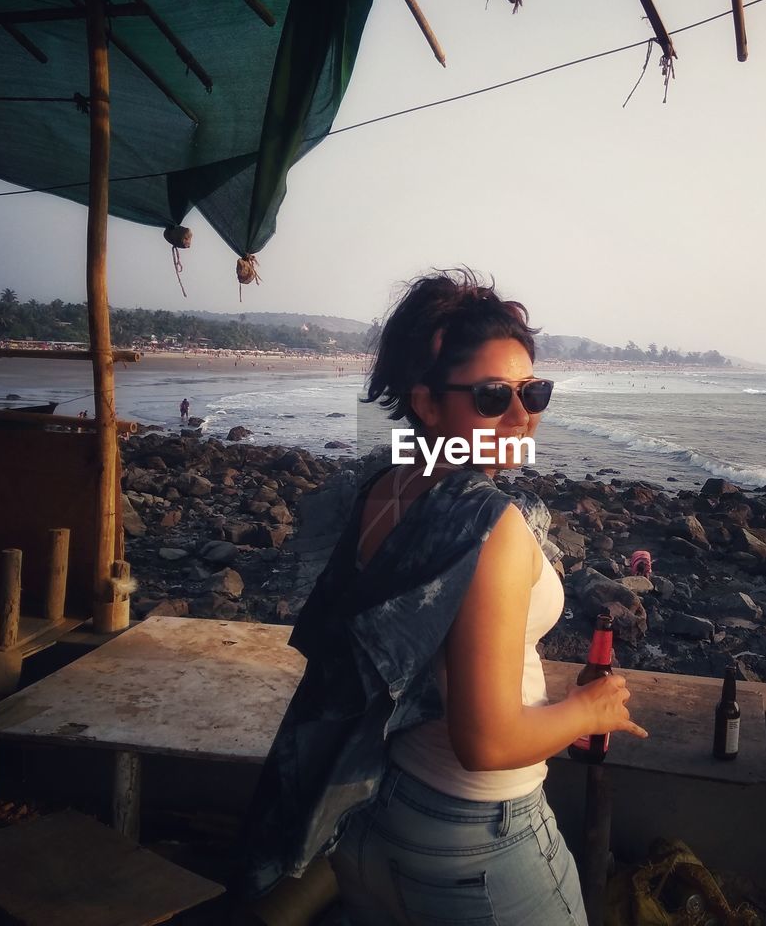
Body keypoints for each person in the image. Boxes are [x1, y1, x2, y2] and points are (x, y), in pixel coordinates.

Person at [239, 270, 646, 924]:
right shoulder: (492, 525)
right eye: (492, 397)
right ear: (427, 403)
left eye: (533, 390)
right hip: (480, 836)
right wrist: (590, 710)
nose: (522, 415)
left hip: (382, 814)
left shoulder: (381, 488)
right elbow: (485, 741)